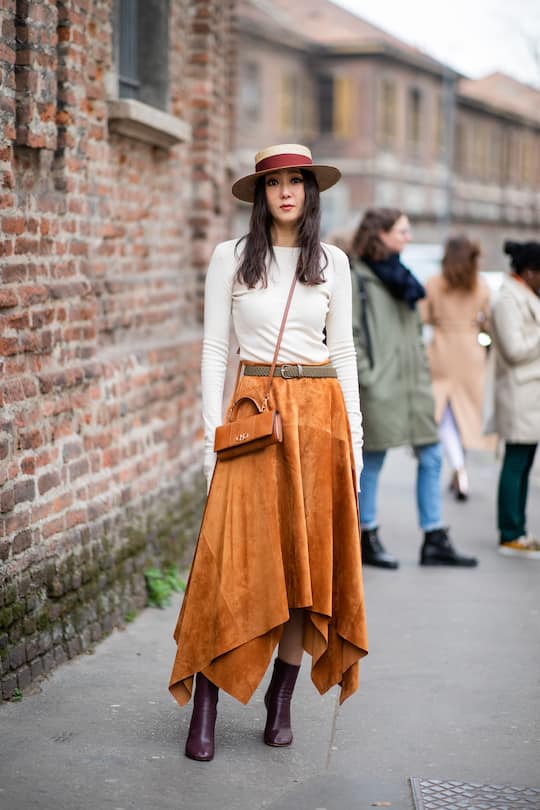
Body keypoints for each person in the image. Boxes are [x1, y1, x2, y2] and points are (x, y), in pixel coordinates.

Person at [169, 144, 368, 761]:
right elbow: (212, 352)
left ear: (311, 192)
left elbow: (343, 356)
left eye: (296, 182)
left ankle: (280, 701)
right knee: (229, 563)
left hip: (319, 419)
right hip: (253, 417)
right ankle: (206, 700)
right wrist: (211, 438)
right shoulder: (230, 258)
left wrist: (355, 442)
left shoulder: (333, 263)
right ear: (260, 193)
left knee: (298, 570)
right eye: (274, 182)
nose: (286, 192)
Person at [349, 207, 478, 570]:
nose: (408, 237)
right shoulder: (358, 277)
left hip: (414, 385)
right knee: (373, 459)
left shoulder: (403, 277)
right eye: (402, 231)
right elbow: (352, 335)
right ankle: (366, 535)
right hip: (381, 386)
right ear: (380, 235)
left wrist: (421, 371)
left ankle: (434, 537)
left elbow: (413, 332)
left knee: (432, 455)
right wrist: (369, 377)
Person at [420, 236, 492, 501]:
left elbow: (423, 316)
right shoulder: (480, 285)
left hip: (441, 350)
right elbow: (488, 323)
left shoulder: (434, 283)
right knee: (466, 416)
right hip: (471, 353)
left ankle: (458, 469)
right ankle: (460, 468)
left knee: (444, 415)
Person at [491, 240, 540, 558]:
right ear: (529, 272)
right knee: (516, 461)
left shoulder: (525, 295)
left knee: (524, 463)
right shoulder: (508, 299)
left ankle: (519, 530)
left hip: (529, 392)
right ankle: (510, 532)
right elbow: (514, 349)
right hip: (519, 391)